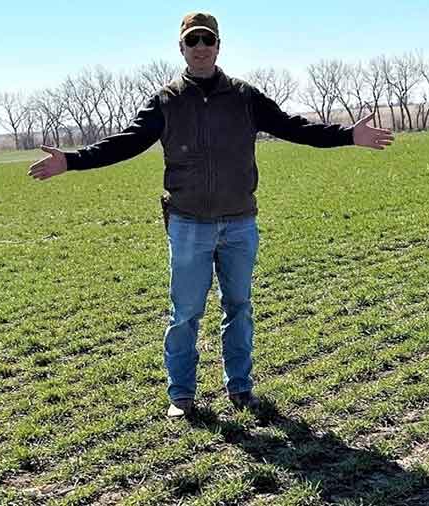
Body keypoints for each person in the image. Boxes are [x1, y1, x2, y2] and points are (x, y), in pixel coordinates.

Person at [28, 12, 394, 418]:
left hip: (239, 222)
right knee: (185, 313)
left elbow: (294, 128)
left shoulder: (244, 96)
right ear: (181, 48)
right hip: (188, 224)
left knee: (238, 306)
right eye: (192, 41)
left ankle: (240, 388)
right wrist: (73, 161)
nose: (200, 47)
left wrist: (347, 135)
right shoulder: (166, 101)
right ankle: (181, 395)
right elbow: (126, 143)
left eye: (207, 40)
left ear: (218, 46)